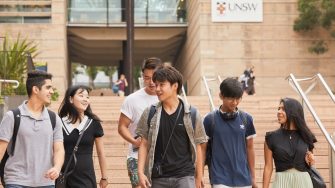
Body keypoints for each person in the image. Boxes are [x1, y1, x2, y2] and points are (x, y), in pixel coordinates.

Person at [136, 64, 208, 188]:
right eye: (156, 84)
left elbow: (199, 145)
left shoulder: (192, 113)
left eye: (162, 85)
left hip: (185, 176)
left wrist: (199, 176)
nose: (157, 89)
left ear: (175, 86)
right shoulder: (150, 112)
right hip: (158, 177)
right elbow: (143, 144)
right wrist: (140, 172)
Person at [0, 70, 65, 187]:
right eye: (48, 87)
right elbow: (1, 149)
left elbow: (59, 149)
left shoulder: (54, 119)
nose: (52, 91)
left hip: (46, 182)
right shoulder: (12, 116)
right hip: (16, 181)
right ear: (35, 90)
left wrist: (57, 167)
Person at [199, 77, 257, 188]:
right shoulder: (209, 119)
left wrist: (253, 177)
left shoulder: (247, 119)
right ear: (221, 96)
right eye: (231, 99)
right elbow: (202, 148)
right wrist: (200, 174)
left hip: (244, 179)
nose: (235, 103)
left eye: (238, 99)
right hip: (220, 178)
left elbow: (250, 148)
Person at [118, 57, 162, 188]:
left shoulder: (168, 98)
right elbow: (121, 127)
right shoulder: (132, 99)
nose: (151, 82)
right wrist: (134, 141)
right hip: (136, 156)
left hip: (161, 157)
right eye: (146, 77)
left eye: (154, 77)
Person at [58, 85, 108, 188]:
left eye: (87, 97)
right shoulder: (59, 123)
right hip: (63, 177)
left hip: (86, 179)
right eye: (81, 96)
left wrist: (104, 177)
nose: (85, 99)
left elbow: (101, 152)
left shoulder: (93, 123)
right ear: (70, 99)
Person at [263, 98, 316, 188]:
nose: (279, 112)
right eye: (278, 109)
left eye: (283, 109)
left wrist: (311, 160)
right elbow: (268, 167)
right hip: (281, 183)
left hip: (303, 183)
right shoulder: (271, 137)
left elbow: (310, 163)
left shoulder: (307, 136)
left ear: (293, 112)